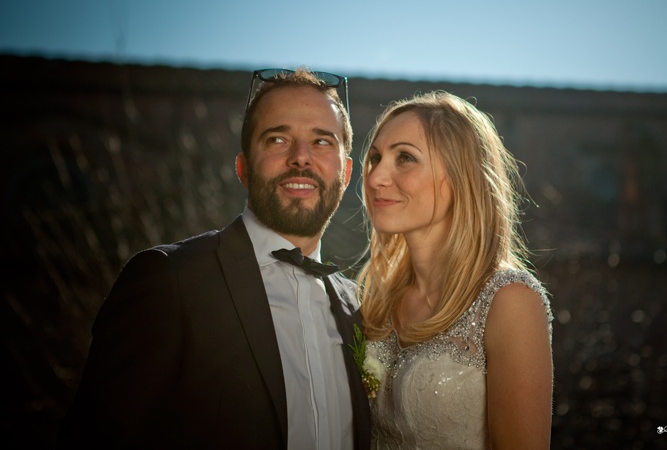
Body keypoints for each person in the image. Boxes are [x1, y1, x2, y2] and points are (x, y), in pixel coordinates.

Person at [57, 68, 371, 449]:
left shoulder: (360, 309)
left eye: (322, 142)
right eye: (277, 138)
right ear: (242, 168)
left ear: (346, 171)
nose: (300, 158)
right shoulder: (168, 280)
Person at [355, 91, 553, 449]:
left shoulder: (509, 303)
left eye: (405, 158)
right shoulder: (376, 301)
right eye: (375, 158)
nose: (375, 178)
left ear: (460, 175)